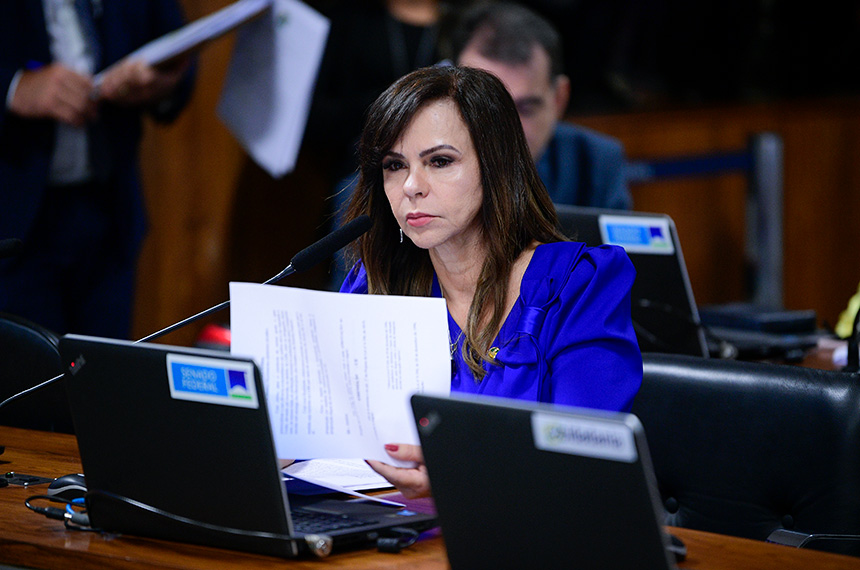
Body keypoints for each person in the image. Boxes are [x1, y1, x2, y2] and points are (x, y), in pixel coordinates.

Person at [339, 65, 642, 497]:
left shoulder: (582, 283)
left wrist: (460, 474)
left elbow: (586, 461)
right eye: (393, 165)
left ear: (495, 165)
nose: (410, 186)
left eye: (440, 161)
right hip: (387, 537)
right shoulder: (374, 281)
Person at [0, 1, 195, 339]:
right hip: (14, 223)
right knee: (28, 385)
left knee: (102, 380)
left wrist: (160, 83)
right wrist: (13, 87)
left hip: (109, 216)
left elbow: (176, 44)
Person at [449, 1, 632, 210]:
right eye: (486, 108)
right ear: (451, 97)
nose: (508, 131)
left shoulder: (595, 164)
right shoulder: (419, 167)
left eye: (526, 109)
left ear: (559, 99)